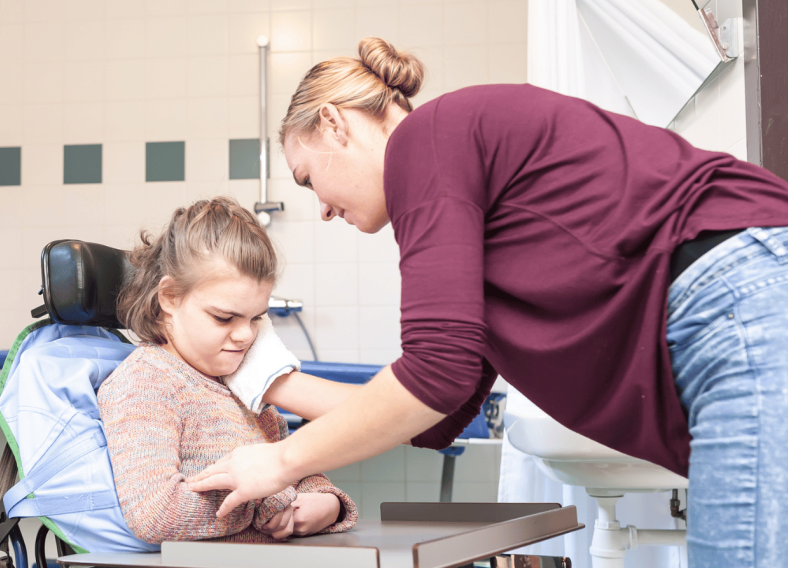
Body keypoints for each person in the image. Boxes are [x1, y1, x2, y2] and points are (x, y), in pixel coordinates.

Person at [186, 38, 788, 567]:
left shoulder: (426, 140)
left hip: (743, 296)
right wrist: (271, 380)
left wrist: (281, 461)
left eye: (306, 177)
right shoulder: (459, 190)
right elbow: (439, 407)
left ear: (334, 124)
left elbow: (434, 374)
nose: (318, 206)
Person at [97, 197, 357, 547]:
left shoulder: (242, 382)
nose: (245, 335)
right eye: (224, 317)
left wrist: (327, 504)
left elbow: (298, 471)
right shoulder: (146, 382)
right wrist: (268, 503)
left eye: (256, 318)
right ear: (170, 296)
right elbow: (155, 514)